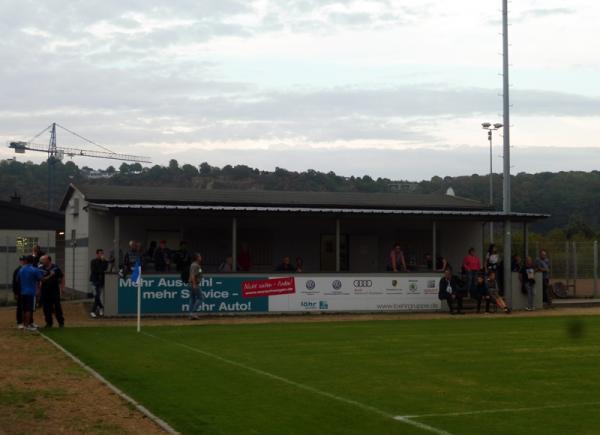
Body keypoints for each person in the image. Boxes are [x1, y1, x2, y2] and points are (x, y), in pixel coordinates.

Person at [18, 255, 45, 331]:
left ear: (26, 261)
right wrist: (50, 275)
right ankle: (27, 326)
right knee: (29, 310)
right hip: (31, 292)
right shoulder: (34, 270)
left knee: (24, 309)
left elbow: (18, 279)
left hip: (23, 292)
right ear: (33, 261)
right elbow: (42, 279)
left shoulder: (21, 269)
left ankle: (24, 325)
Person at [39, 255, 65, 328]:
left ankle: (61, 322)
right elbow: (40, 279)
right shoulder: (40, 268)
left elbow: (62, 277)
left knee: (57, 307)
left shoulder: (55, 268)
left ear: (48, 260)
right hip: (45, 291)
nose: (42, 261)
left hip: (54, 291)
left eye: (43, 260)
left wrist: (62, 288)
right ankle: (49, 323)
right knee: (46, 308)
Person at [89, 249, 108, 318]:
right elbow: (95, 270)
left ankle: (97, 310)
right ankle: (99, 308)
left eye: (102, 253)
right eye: (100, 253)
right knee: (96, 296)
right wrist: (101, 270)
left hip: (101, 281)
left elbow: (104, 269)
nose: (101, 255)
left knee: (98, 296)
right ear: (97, 254)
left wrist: (103, 262)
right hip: (94, 281)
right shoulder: (93, 261)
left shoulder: (105, 262)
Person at [12, 256, 26, 329]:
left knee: (28, 307)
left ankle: (29, 322)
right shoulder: (17, 270)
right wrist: (15, 293)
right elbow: (14, 282)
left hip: (27, 291)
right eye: (22, 260)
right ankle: (19, 322)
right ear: (20, 261)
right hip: (20, 291)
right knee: (20, 307)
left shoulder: (28, 269)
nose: (23, 261)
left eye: (24, 260)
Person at [188, 253, 203, 320]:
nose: (201, 257)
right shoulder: (195, 265)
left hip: (192, 283)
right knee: (200, 298)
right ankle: (193, 313)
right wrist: (194, 284)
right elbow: (193, 275)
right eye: (199, 256)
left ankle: (191, 314)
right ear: (197, 257)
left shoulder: (195, 265)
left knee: (192, 298)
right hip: (194, 284)